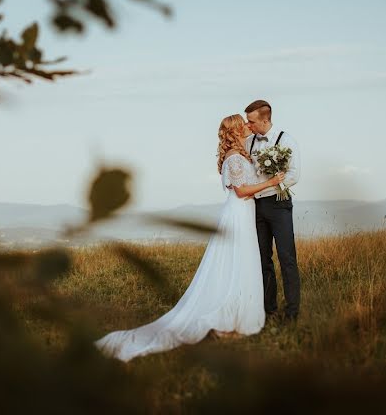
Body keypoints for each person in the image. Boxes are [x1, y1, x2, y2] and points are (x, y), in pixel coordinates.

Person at [95, 114, 282, 362]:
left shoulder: (241, 154)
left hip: (245, 213)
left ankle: (236, 316)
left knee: (243, 262)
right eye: (243, 124)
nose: (248, 126)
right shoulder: (234, 158)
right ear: (236, 131)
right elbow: (241, 191)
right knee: (236, 262)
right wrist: (272, 181)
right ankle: (228, 318)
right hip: (238, 213)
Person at [244, 99, 301, 322]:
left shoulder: (286, 140)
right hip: (256, 206)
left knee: (287, 258)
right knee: (262, 258)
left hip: (279, 203)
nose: (248, 126)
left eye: (251, 121)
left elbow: (294, 174)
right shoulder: (248, 141)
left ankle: (292, 312)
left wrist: (273, 185)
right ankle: (269, 309)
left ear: (265, 119)